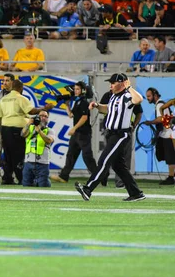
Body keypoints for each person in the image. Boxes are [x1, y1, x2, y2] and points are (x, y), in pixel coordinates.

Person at [75, 73, 146, 202]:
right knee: (118, 166)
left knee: (104, 160)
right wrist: (97, 105)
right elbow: (108, 109)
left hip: (120, 134)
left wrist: (128, 86)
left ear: (121, 83)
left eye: (113, 83)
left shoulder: (127, 96)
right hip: (112, 134)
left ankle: (88, 189)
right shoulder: (113, 96)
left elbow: (139, 99)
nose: (111, 85)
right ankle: (136, 193)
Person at [0, 79, 54, 185]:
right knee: (18, 155)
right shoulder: (21, 98)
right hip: (17, 129)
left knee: (8, 154)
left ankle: (7, 178)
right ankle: (21, 178)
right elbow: (31, 111)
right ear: (20, 88)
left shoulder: (3, 99)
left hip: (5, 128)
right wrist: (44, 108)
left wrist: (5, 126)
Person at [51, 82, 97, 183]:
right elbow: (71, 115)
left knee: (87, 156)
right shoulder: (78, 101)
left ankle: (97, 177)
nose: (75, 91)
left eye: (77, 89)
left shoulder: (84, 102)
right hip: (77, 133)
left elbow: (84, 117)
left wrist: (74, 128)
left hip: (84, 133)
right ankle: (64, 176)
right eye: (75, 89)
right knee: (71, 155)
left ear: (83, 90)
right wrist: (67, 105)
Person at [144, 88, 175, 185]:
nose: (147, 98)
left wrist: (150, 122)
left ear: (155, 95)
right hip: (166, 133)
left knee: (170, 156)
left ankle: (171, 177)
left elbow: (162, 119)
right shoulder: (161, 104)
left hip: (169, 134)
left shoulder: (160, 104)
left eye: (149, 96)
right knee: (165, 155)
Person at [21, 110, 55, 187]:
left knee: (43, 186)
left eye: (46, 116)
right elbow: (22, 134)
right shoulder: (30, 128)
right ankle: (36, 182)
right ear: (37, 117)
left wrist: (39, 131)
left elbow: (49, 140)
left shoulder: (50, 130)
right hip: (28, 162)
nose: (43, 118)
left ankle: (45, 181)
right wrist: (29, 123)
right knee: (26, 185)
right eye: (41, 116)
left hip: (43, 164)